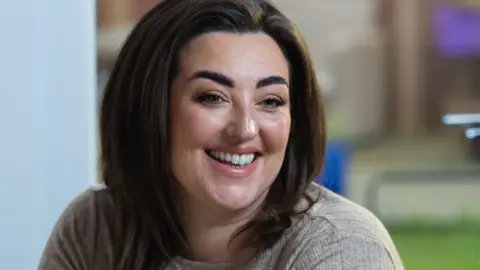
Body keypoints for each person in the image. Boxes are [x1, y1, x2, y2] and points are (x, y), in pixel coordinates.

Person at [39, 0, 404, 269]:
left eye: (271, 101)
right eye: (212, 97)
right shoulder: (96, 230)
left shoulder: (342, 250)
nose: (244, 129)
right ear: (150, 109)